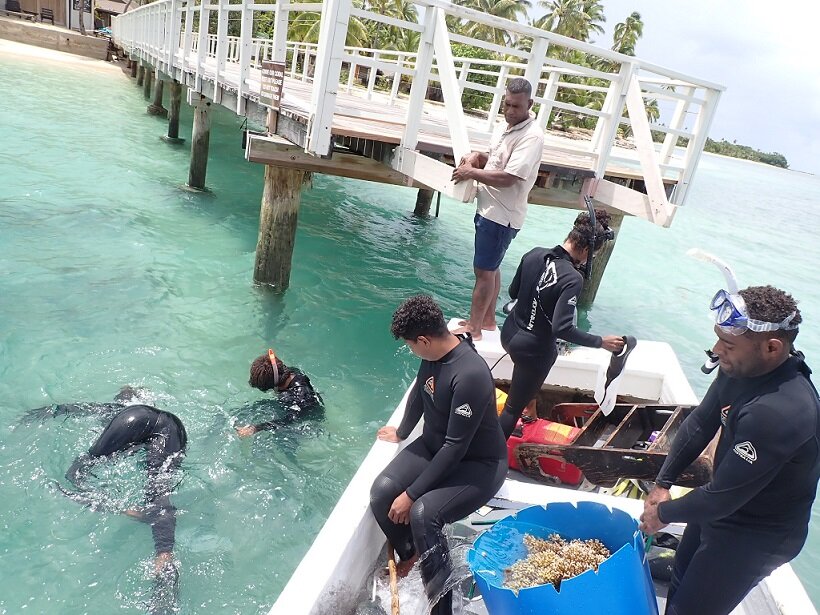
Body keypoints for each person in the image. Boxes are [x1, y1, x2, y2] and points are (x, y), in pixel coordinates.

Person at [639, 285, 820, 615]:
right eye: (718, 337)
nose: (716, 349)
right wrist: (662, 485)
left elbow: (721, 498)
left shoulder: (778, 411)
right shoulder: (742, 367)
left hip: (756, 532)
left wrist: (661, 515)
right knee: (678, 583)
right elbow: (700, 423)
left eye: (729, 344)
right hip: (720, 507)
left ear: (772, 347)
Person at [370, 295, 507, 615]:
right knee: (381, 493)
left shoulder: (469, 374)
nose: (411, 350)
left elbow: (455, 447)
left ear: (423, 339)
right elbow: (422, 390)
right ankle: (413, 555)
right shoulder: (432, 353)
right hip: (435, 448)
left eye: (410, 345)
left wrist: (412, 493)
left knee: (422, 513)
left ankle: (441, 608)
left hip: (479, 465)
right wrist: (402, 432)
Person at [497, 208, 626, 438]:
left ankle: (530, 409)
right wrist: (601, 342)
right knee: (511, 409)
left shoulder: (534, 253)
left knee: (525, 381)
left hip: (509, 335)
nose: (590, 260)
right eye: (592, 256)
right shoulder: (572, 278)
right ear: (585, 249)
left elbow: (513, 291)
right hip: (533, 352)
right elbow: (563, 329)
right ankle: (487, 457)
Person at [451, 77, 545, 341]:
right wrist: (475, 158)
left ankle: (475, 327)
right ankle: (489, 320)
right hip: (489, 211)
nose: (510, 111)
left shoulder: (531, 136)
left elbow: (509, 177)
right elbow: (493, 160)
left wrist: (471, 172)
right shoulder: (508, 128)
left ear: (530, 104)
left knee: (483, 272)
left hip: (501, 216)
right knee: (491, 268)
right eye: (507, 105)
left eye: (516, 106)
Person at [235, 348, 323, 437]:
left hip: (310, 424)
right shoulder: (292, 372)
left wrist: (255, 429)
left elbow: (289, 420)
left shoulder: (297, 396)